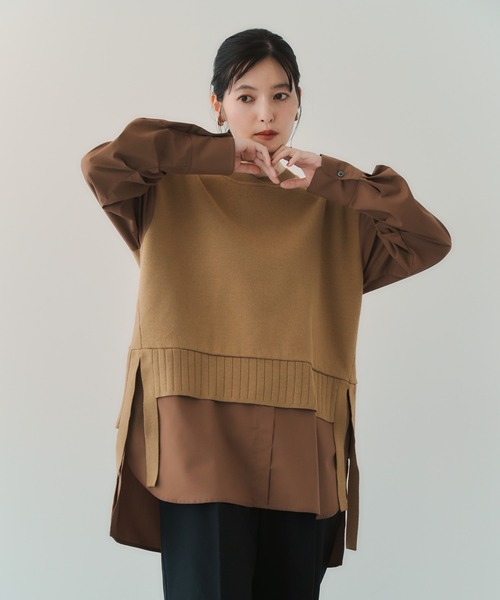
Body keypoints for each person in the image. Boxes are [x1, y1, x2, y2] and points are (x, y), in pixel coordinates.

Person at [81, 28, 451, 600]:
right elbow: (105, 163)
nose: (265, 113)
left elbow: (427, 240)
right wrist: (214, 154)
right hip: (196, 426)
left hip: (303, 430)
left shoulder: (334, 203)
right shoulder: (165, 189)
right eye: (245, 96)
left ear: (299, 102)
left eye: (281, 95)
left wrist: (332, 175)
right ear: (217, 105)